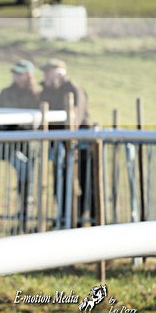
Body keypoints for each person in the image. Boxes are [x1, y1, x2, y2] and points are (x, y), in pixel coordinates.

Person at [38, 58, 94, 226]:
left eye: (49, 72)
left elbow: (75, 118)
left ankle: (87, 218)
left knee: (84, 182)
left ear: (60, 73)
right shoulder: (45, 91)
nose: (46, 76)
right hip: (59, 144)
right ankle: (65, 216)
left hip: (81, 144)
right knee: (60, 182)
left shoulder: (74, 90)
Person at [0, 59, 41, 220]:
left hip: (30, 144)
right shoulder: (6, 93)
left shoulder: (37, 95)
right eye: (15, 74)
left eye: (20, 74)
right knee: (24, 171)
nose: (16, 77)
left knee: (27, 175)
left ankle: (26, 208)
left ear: (28, 75)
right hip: (10, 143)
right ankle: (24, 207)